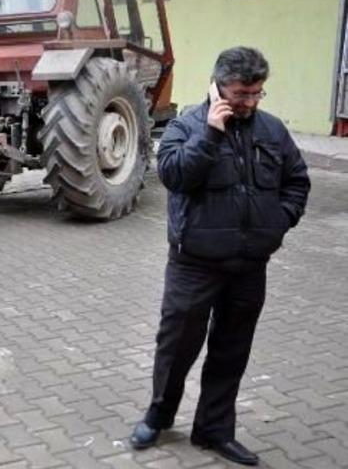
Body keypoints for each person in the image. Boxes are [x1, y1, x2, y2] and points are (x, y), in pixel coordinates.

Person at [129, 47, 311, 466]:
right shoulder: (186, 125)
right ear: (217, 87)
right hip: (194, 264)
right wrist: (210, 134)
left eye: (256, 93)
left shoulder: (272, 130)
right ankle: (159, 415)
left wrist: (277, 222)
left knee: (232, 350)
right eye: (241, 93)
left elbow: (297, 181)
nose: (249, 101)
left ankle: (214, 430)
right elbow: (174, 176)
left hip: (249, 266)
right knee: (176, 347)